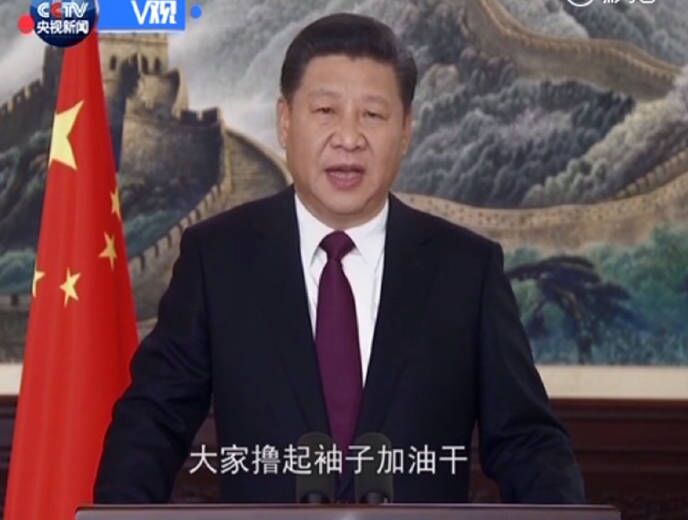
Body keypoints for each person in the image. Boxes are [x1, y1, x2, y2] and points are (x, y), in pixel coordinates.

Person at [94, 12, 585, 504]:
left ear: (406, 131)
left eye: (372, 115)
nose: (348, 138)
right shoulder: (218, 258)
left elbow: (526, 441)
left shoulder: (466, 270)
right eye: (326, 110)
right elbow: (152, 422)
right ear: (285, 121)